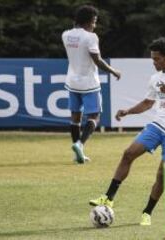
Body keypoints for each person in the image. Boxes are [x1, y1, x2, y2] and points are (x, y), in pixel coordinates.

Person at [89, 37, 165, 225]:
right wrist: (128, 111)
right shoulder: (155, 79)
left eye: (157, 59)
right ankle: (109, 197)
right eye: (152, 59)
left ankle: (147, 212)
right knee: (128, 154)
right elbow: (148, 103)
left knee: (162, 175)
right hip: (158, 124)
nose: (154, 62)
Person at [62, 5, 121, 164]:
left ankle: (77, 152)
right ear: (88, 22)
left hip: (72, 81)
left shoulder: (66, 35)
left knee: (75, 117)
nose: (94, 25)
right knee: (94, 116)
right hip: (89, 82)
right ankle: (80, 144)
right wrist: (113, 71)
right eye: (94, 21)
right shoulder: (91, 37)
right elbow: (97, 60)